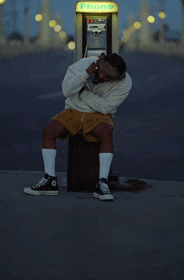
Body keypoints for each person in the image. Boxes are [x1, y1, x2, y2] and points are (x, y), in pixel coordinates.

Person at [24, 53, 132, 201]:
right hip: (73, 110)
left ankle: (102, 183)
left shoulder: (125, 82)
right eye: (100, 71)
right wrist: (86, 73)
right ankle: (50, 180)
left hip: (98, 115)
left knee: (106, 133)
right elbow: (67, 91)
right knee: (49, 131)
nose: (101, 76)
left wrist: (82, 93)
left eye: (107, 76)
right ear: (97, 64)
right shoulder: (81, 66)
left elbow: (106, 107)